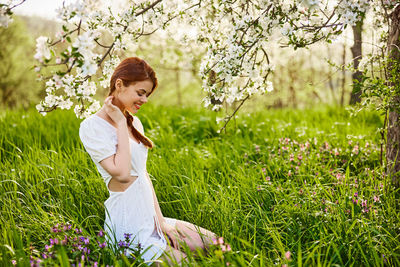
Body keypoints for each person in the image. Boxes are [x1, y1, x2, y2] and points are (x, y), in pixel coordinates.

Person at [79, 57, 217, 266]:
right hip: (129, 223)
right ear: (119, 84)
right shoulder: (91, 127)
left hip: (151, 216)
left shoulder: (135, 122)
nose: (144, 100)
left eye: (147, 95)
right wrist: (119, 123)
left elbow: (142, 175)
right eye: (140, 93)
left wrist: (161, 223)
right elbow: (123, 175)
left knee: (215, 244)